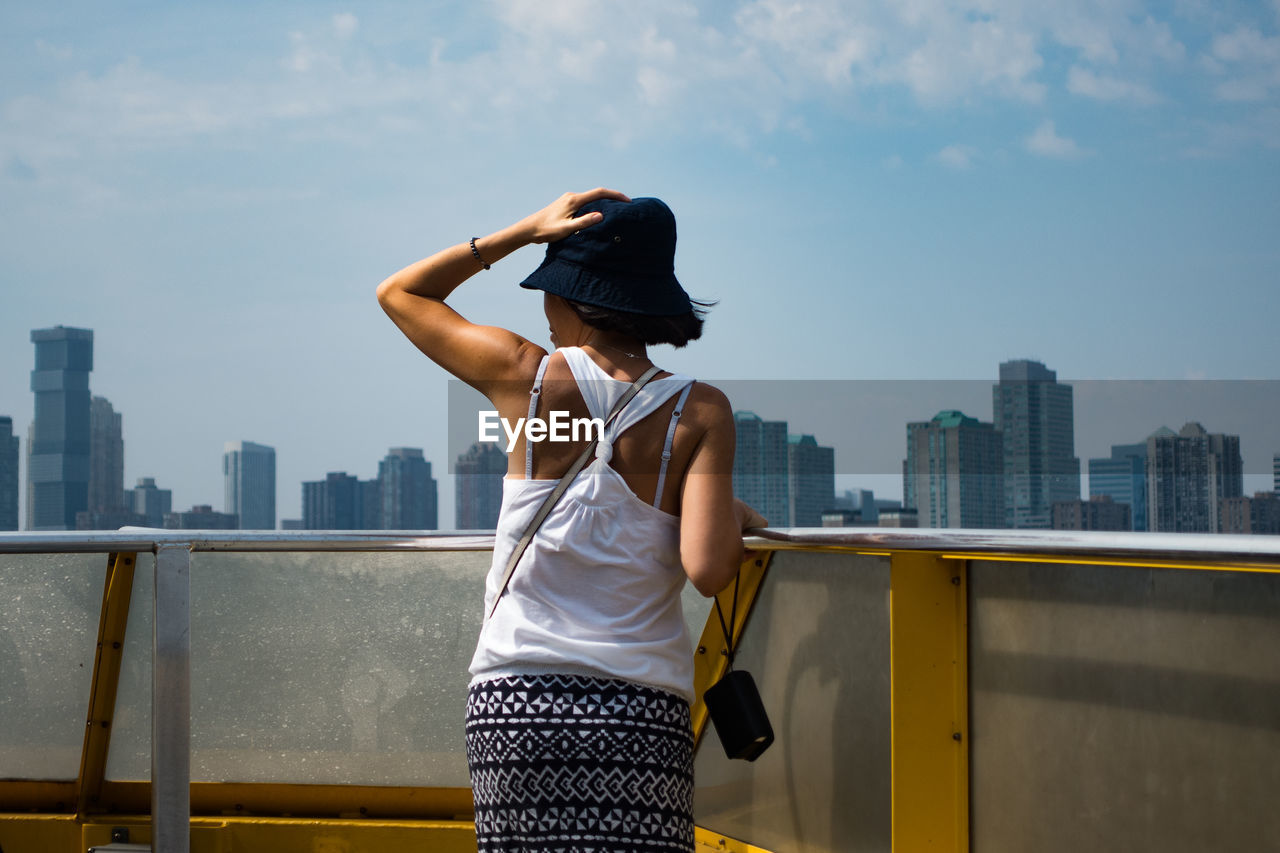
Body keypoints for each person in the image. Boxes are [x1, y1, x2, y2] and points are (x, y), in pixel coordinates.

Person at [376, 188, 766, 852]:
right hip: (638, 710)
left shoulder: (525, 376)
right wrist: (719, 510)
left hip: (515, 700)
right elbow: (708, 569)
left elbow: (401, 294)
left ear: (576, 295)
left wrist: (526, 231)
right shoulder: (701, 411)